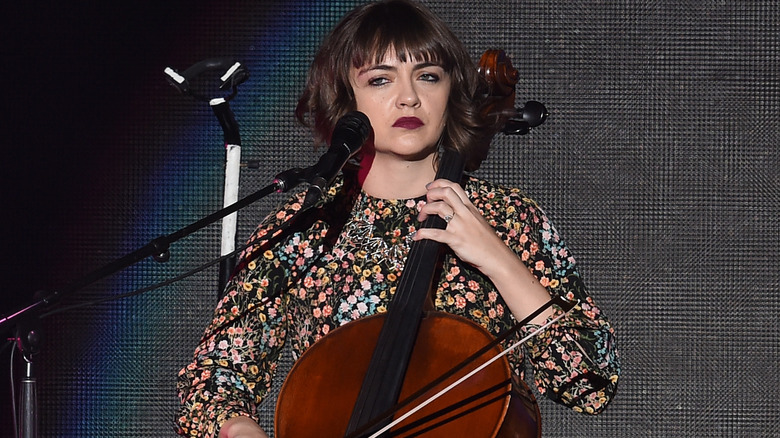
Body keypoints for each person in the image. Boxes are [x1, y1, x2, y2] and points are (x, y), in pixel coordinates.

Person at [176, 1, 621, 437]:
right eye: (380, 79)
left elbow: (592, 381)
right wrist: (239, 429)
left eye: (428, 76)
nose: (408, 97)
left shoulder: (508, 218)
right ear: (346, 97)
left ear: (449, 93)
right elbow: (213, 380)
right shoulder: (306, 225)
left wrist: (500, 261)